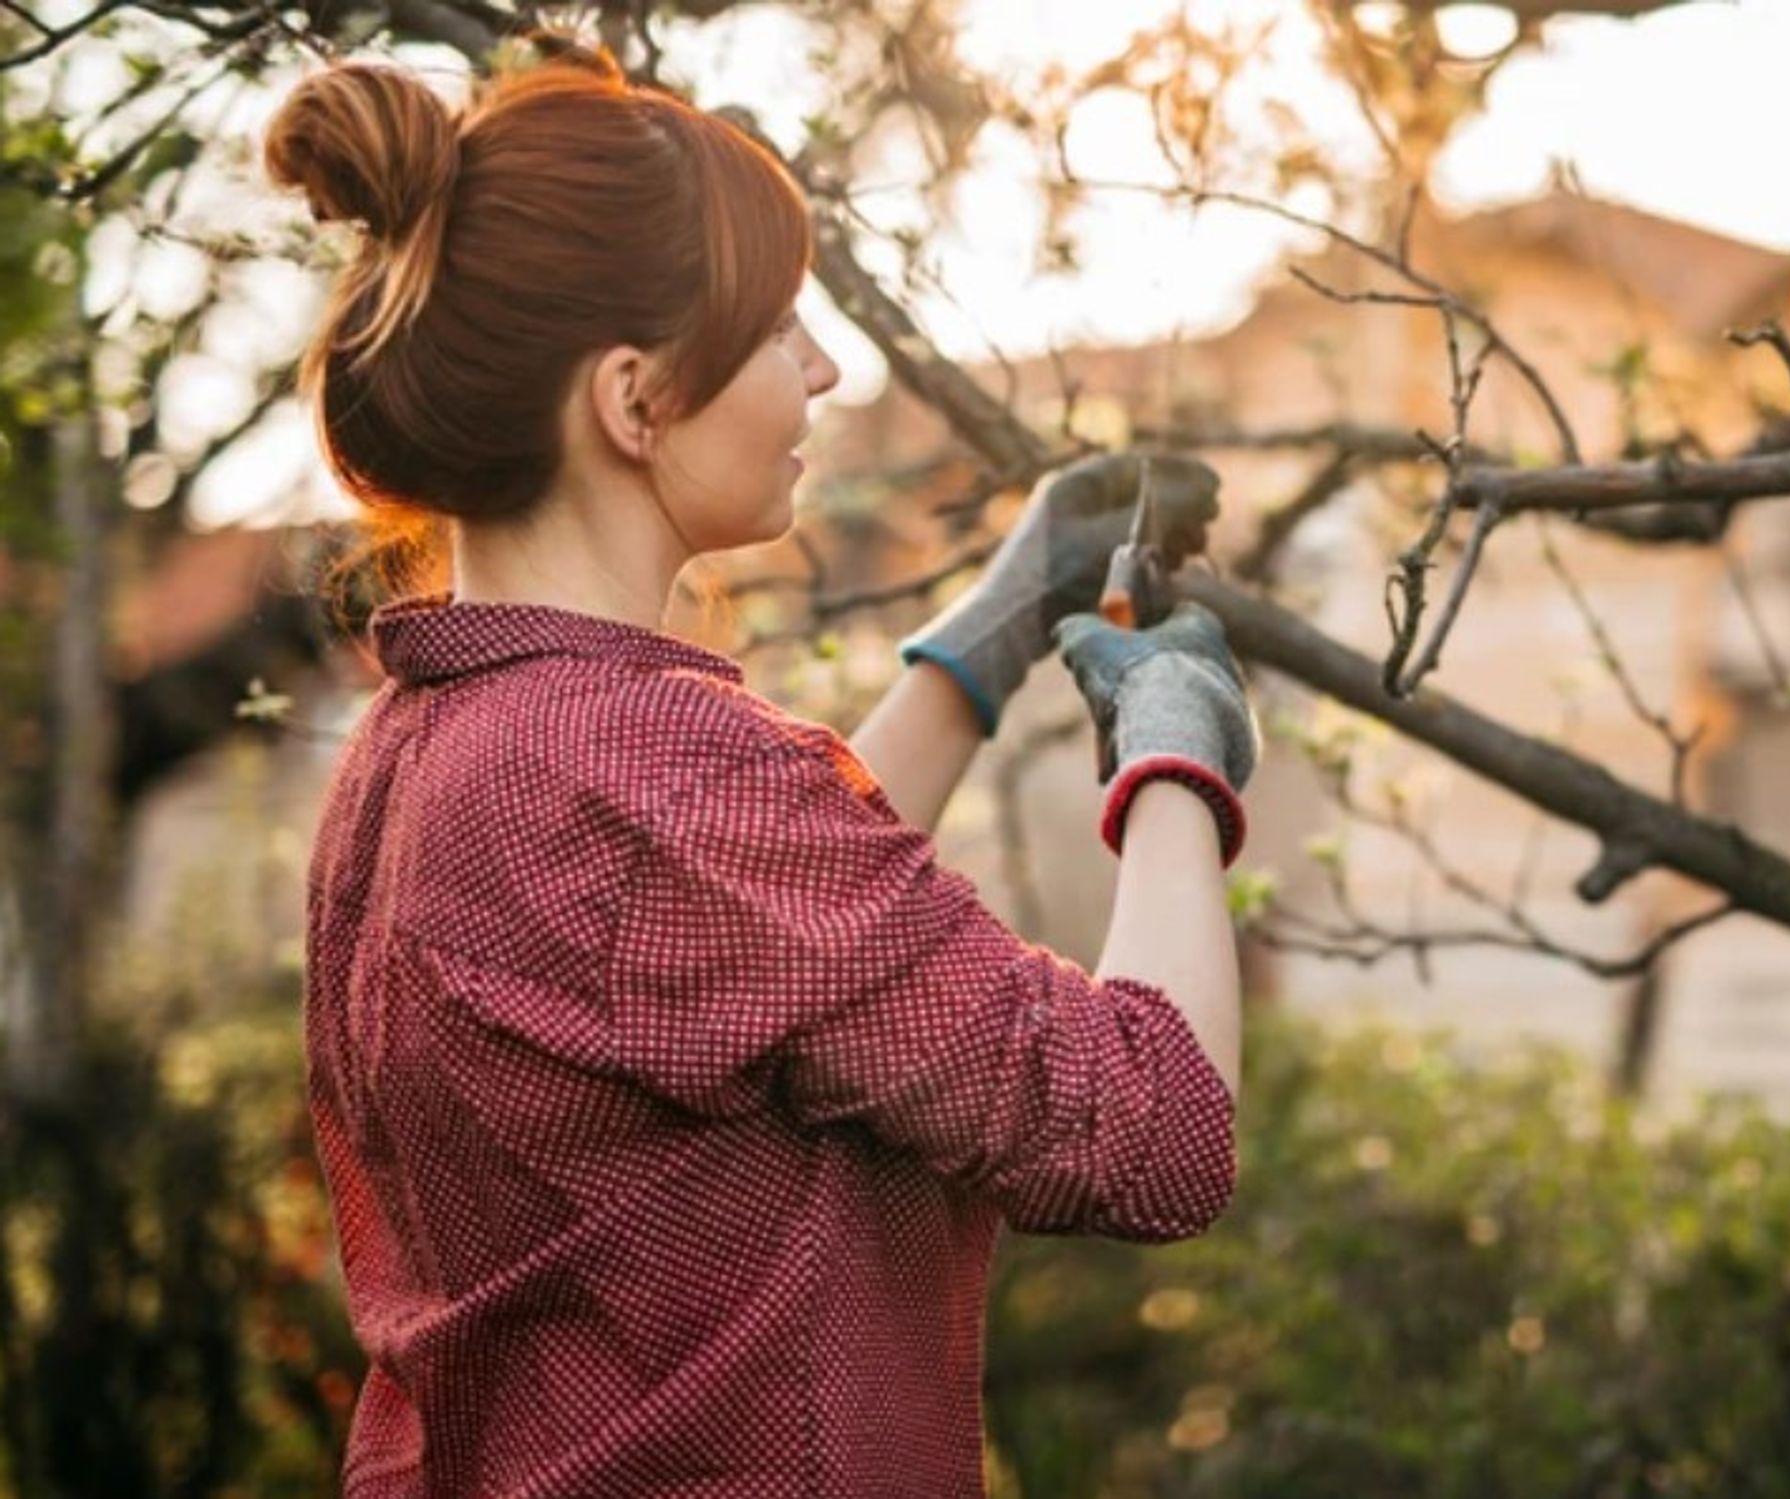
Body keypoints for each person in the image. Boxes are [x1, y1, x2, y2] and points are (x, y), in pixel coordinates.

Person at [270, 38, 1260, 1499]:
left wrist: (989, 633)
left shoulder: (426, 742)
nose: (824, 367)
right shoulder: (649, 774)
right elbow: (1151, 1131)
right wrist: (1179, 758)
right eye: (779, 324)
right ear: (636, 400)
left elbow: (746, 956)